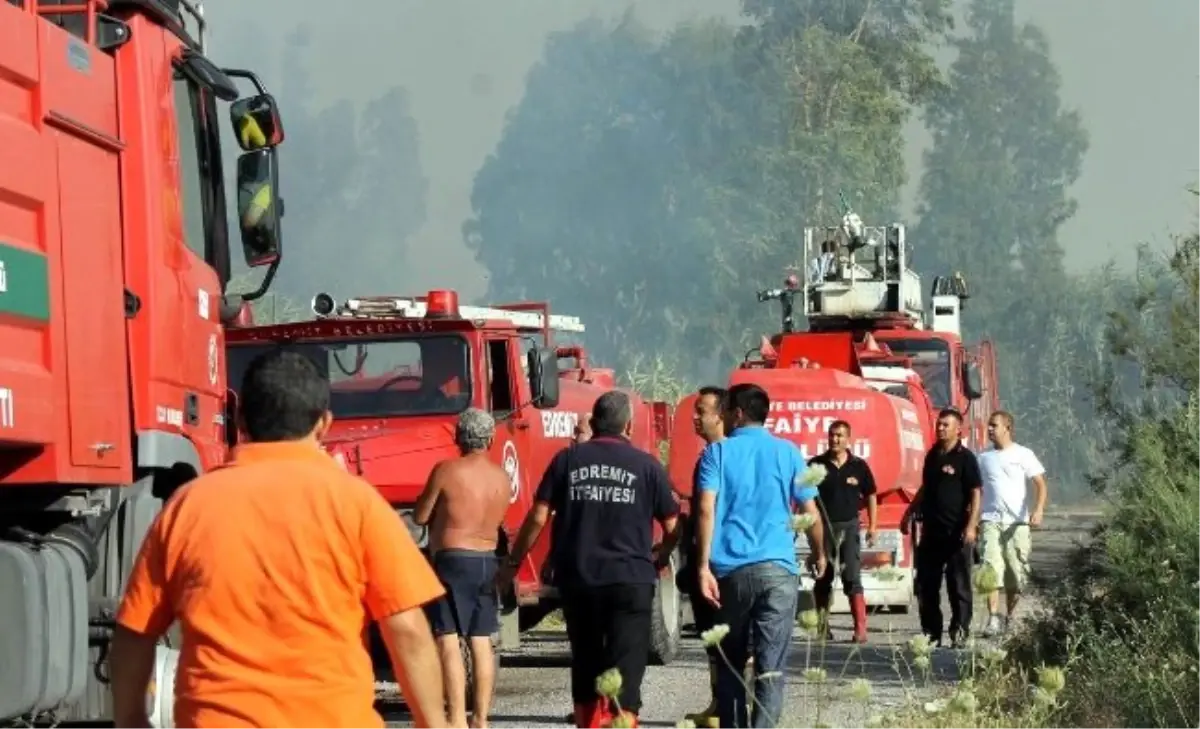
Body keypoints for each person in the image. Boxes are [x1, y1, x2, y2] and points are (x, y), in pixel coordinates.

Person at [109, 350, 449, 729]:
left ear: (239, 420)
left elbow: (134, 634)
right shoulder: (357, 503)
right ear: (324, 423)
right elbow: (407, 629)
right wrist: (433, 722)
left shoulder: (189, 505)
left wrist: (130, 719)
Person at [498, 390, 681, 729]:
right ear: (628, 426)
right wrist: (663, 554)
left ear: (594, 424)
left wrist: (514, 561)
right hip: (630, 581)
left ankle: (588, 723)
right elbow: (672, 525)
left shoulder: (567, 461)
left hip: (580, 580)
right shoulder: (647, 466)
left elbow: (538, 517)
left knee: (585, 659)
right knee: (627, 666)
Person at [695, 383, 826, 729]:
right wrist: (820, 554)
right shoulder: (788, 452)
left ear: (737, 414)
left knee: (731, 664)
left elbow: (706, 510)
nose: (721, 415)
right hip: (778, 572)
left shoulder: (717, 454)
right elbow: (810, 511)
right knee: (771, 668)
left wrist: (703, 566)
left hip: (731, 574)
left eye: (725, 409)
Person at [413, 408, 512, 729]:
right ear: (491, 439)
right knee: (481, 639)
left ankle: (456, 718)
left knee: (448, 637)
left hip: (451, 560)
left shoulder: (445, 470)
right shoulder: (501, 477)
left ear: (457, 437)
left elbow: (420, 516)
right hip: (487, 560)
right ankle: (481, 719)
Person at [901, 408, 982, 648]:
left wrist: (971, 526)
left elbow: (976, 492)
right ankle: (931, 634)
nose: (940, 428)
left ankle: (960, 632)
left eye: (946, 425)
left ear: (959, 429)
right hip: (932, 531)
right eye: (939, 424)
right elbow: (925, 488)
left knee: (958, 585)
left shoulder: (966, 458)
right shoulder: (932, 455)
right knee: (926, 585)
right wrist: (909, 510)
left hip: (956, 532)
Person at [976, 410, 1048, 638]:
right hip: (991, 521)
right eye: (988, 425)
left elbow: (1040, 484)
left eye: (994, 425)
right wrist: (973, 518)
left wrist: (1037, 510)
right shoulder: (983, 457)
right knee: (990, 570)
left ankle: (1010, 617)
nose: (989, 429)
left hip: (1017, 523)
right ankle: (993, 619)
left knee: (1015, 575)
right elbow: (975, 490)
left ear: (1007, 428)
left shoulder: (1023, 454)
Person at [809, 420, 878, 644]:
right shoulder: (816, 465)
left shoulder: (858, 466)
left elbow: (871, 495)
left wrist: (873, 526)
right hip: (823, 527)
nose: (835, 439)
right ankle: (822, 627)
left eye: (839, 435)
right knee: (823, 577)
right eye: (831, 435)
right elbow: (804, 497)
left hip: (849, 527)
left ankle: (860, 629)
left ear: (849, 439)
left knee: (851, 577)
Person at [683, 386, 728, 729]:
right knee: (711, 640)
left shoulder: (726, 456)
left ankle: (730, 706)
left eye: (702, 410)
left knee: (728, 637)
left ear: (722, 415)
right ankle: (718, 701)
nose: (695, 417)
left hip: (719, 562)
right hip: (703, 556)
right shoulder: (706, 455)